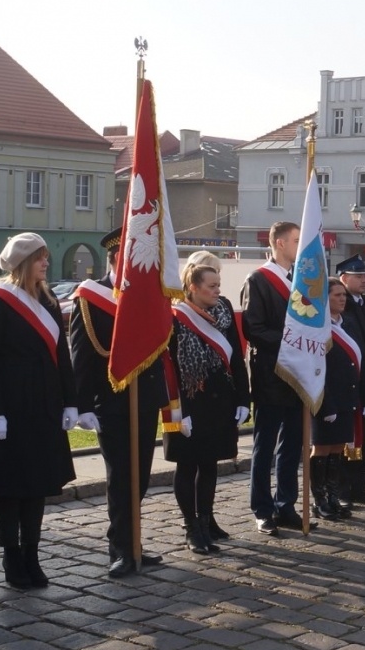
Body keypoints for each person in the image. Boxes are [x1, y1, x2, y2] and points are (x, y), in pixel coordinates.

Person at [0, 233, 78, 589]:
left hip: (44, 405)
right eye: (39, 258)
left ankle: (32, 553)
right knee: (11, 487)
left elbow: (61, 355)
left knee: (36, 485)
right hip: (12, 406)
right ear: (22, 264)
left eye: (46, 257)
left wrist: (70, 400)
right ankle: (11, 556)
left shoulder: (48, 300)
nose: (46, 264)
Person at [70, 228, 170, 578]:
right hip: (111, 402)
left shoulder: (146, 294)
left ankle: (135, 541)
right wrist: (81, 405)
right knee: (120, 477)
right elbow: (82, 354)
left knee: (140, 476)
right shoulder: (91, 295)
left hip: (145, 399)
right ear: (116, 260)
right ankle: (120, 548)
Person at [165, 260, 250, 554]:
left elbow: (236, 359)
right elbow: (171, 368)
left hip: (220, 400)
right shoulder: (175, 317)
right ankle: (191, 527)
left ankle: (206, 521)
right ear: (193, 287)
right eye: (211, 286)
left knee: (210, 464)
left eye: (218, 285)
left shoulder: (223, 314)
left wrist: (243, 399)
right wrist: (178, 411)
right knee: (187, 465)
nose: (217, 291)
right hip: (189, 401)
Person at [243, 220, 305, 533]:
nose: (299, 244)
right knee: (264, 445)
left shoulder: (298, 280)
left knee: (292, 444)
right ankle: (262, 509)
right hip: (270, 374)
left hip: (297, 375)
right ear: (279, 243)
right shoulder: (259, 280)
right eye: (295, 239)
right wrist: (291, 341)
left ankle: (286, 505)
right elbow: (253, 328)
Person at [309, 279, 362, 518]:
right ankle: (319, 500)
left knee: (338, 448)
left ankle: (332, 497)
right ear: (324, 299)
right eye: (337, 295)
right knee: (321, 449)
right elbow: (315, 368)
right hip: (326, 399)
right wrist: (325, 403)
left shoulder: (346, 323)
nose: (343, 298)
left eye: (344, 295)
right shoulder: (317, 328)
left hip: (346, 396)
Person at [335, 257, 365, 503]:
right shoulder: (342, 308)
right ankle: (342, 491)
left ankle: (359, 489)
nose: (364, 280)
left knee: (362, 438)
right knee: (345, 441)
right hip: (347, 383)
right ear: (343, 278)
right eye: (358, 276)